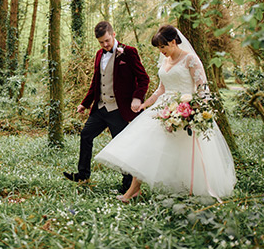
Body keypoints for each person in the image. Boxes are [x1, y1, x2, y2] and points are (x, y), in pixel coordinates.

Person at [94, 25, 236, 202]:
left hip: (186, 109)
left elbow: (202, 88)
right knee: (146, 148)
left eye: (163, 47)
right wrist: (144, 104)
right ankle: (131, 192)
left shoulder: (191, 59)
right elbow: (161, 89)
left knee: (188, 154)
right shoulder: (166, 60)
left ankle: (192, 189)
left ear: (174, 42)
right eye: (159, 48)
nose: (161, 51)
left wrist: (198, 111)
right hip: (163, 110)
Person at [63, 21, 150, 192]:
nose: (105, 45)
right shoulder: (98, 55)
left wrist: (137, 98)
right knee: (86, 135)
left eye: (107, 41)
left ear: (113, 34)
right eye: (101, 42)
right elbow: (96, 82)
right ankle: (83, 175)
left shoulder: (129, 52)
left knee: (122, 146)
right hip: (101, 108)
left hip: (119, 110)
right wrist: (85, 103)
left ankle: (127, 185)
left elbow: (144, 79)